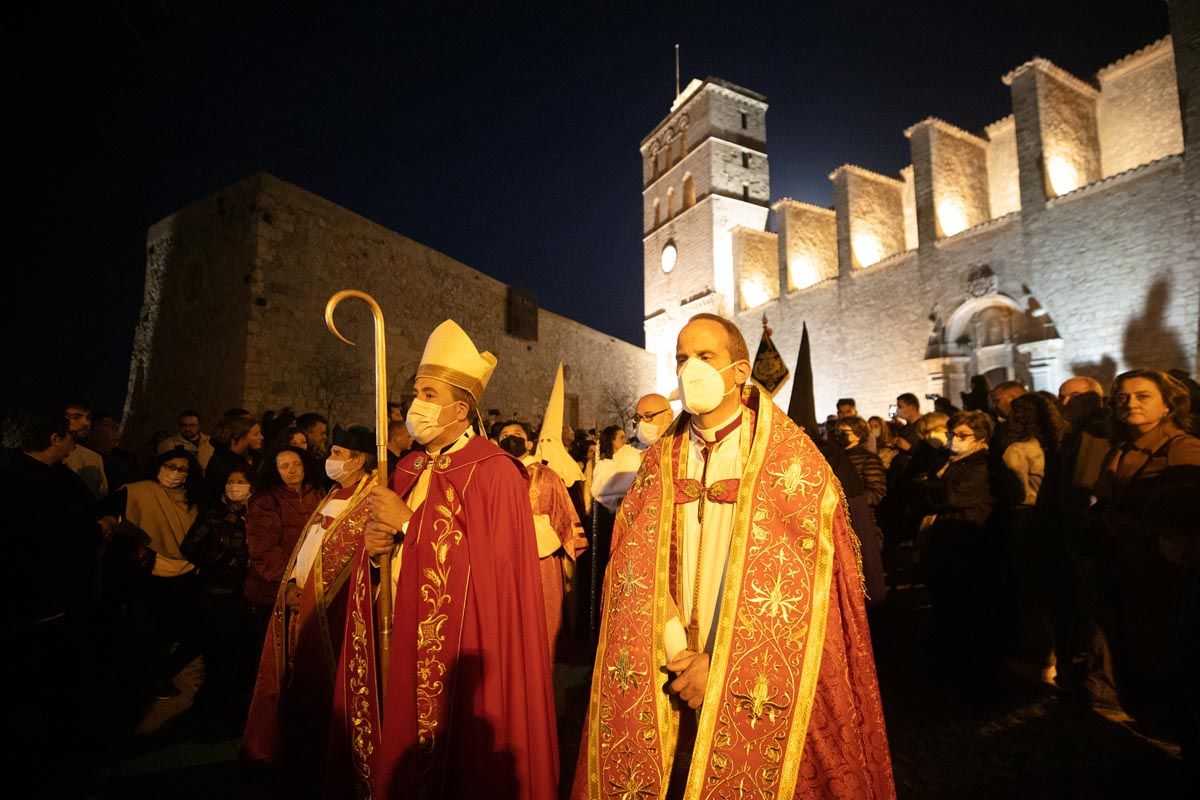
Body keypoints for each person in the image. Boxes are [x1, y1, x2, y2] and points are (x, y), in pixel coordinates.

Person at [572, 313, 894, 798]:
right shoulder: (659, 460)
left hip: (750, 670)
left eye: (705, 358)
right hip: (669, 660)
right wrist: (676, 649)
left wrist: (718, 664)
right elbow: (633, 568)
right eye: (682, 358)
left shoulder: (791, 460)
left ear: (741, 371)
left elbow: (804, 596)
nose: (689, 370)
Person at [328, 319, 558, 799]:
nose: (417, 405)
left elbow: (491, 576)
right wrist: (375, 553)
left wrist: (408, 525)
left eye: (428, 394)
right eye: (416, 391)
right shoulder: (408, 466)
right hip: (403, 630)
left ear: (459, 409)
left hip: (463, 649)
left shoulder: (496, 473)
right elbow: (386, 551)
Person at [243, 426, 377, 784]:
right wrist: (289, 583)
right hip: (296, 598)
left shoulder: (369, 498)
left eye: (336, 453)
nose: (329, 460)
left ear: (358, 459)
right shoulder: (332, 491)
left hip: (332, 607)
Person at [0, 408, 117, 793]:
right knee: (47, 691)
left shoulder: (25, 471)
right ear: (54, 439)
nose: (74, 442)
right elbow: (61, 535)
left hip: (34, 601)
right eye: (69, 436)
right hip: (48, 602)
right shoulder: (40, 485)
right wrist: (100, 528)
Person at [1090, 369, 1200, 736]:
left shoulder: (1181, 447)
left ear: (1168, 405)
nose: (1130, 403)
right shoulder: (1121, 447)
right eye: (1122, 396)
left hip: (1162, 571)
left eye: (1142, 396)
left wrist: (1146, 530)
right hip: (1123, 565)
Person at [111, 446, 206, 698]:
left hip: (184, 572)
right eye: (170, 466)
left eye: (182, 469)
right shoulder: (138, 491)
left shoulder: (193, 500)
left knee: (171, 630)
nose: (174, 472)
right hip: (148, 572)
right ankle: (133, 680)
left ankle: (157, 675)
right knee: (143, 630)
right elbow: (112, 519)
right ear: (159, 466)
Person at [495, 419, 586, 662]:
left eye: (516, 433)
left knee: (540, 630)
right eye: (505, 434)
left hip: (540, 562)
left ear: (528, 442)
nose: (510, 437)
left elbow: (564, 520)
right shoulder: (491, 476)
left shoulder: (546, 476)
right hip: (501, 563)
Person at [919, 410, 997, 682]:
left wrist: (927, 488)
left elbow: (950, 496)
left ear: (981, 437)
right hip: (948, 537)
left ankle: (972, 666)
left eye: (963, 435)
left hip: (967, 538)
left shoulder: (980, 464)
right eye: (953, 434)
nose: (955, 439)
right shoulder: (953, 461)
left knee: (966, 604)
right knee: (947, 601)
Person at [1001, 393, 1068, 683]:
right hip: (1054, 519)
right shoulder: (1058, 446)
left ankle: (1042, 659)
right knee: (1055, 590)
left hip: (1026, 519)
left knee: (1031, 591)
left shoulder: (1017, 449)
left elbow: (1015, 491)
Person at [244, 445, 322, 612]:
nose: (292, 470)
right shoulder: (266, 500)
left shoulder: (316, 493)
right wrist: (289, 580)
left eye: (297, 464)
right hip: (274, 588)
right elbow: (263, 549)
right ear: (275, 470)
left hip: (309, 581)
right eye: (285, 466)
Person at [205, 416, 264, 501]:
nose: (261, 437)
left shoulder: (257, 457)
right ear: (239, 437)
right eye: (256, 434)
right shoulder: (220, 462)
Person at [836, 416, 888, 508]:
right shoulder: (838, 456)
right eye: (838, 431)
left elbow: (877, 492)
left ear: (858, 435)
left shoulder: (869, 459)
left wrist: (850, 500)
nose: (840, 435)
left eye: (844, 432)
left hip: (860, 514)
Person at [63, 399, 109, 499]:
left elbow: (101, 496)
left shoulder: (94, 458)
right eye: (75, 417)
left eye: (88, 418)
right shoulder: (48, 454)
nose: (85, 423)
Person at [88, 410, 139, 491]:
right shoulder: (84, 459)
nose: (115, 428)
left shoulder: (125, 459)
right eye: (106, 424)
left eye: (115, 425)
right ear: (90, 429)